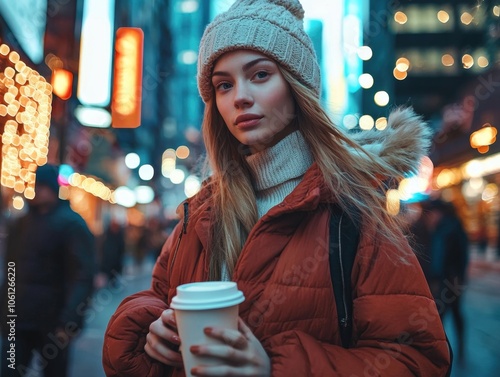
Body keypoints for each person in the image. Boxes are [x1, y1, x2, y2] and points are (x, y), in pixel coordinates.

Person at [102, 1, 451, 376]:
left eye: (260, 75)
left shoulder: (351, 211)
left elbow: (418, 361)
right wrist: (152, 329)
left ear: (296, 85)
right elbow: (156, 297)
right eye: (224, 84)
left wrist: (276, 367)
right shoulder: (201, 212)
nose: (239, 97)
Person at [0, 164, 96, 377]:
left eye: (43, 186)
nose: (38, 191)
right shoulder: (21, 224)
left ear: (53, 188)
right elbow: (11, 270)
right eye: (36, 186)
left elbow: (82, 275)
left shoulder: (72, 225)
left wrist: (70, 320)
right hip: (19, 320)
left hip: (53, 323)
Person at [422, 199, 469, 363]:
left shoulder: (450, 229)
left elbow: (461, 255)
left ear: (438, 213)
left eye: (432, 214)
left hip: (451, 280)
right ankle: (446, 351)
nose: (430, 218)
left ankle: (444, 352)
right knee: (447, 314)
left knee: (446, 314)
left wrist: (458, 277)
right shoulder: (441, 229)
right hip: (445, 279)